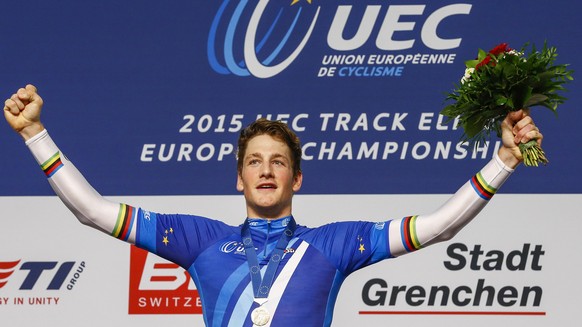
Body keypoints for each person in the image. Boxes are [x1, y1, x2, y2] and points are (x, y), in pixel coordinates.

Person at [4, 84, 542, 326]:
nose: (266, 170)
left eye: (278, 162)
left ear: (297, 179)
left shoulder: (332, 245)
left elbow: (436, 228)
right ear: (238, 179)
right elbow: (93, 211)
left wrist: (503, 162)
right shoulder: (203, 241)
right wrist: (35, 134)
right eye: (255, 162)